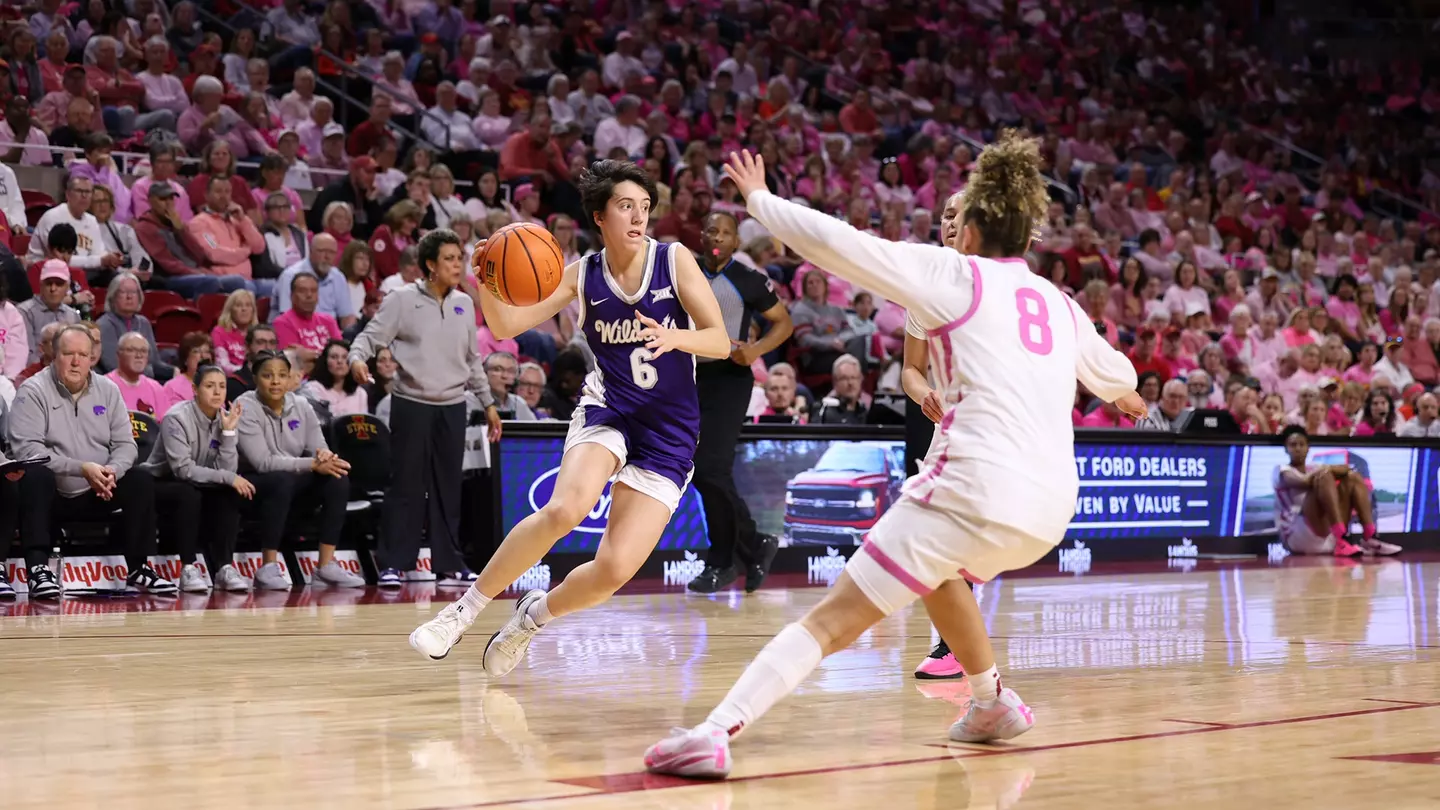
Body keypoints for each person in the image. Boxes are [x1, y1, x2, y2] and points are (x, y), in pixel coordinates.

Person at [642, 140, 1145, 777]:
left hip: (974, 488)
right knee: (937, 572)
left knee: (833, 620)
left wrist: (761, 202)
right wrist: (1126, 398)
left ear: (979, 226)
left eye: (962, 219)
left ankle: (714, 732)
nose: (953, 227)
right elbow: (1119, 377)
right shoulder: (1057, 302)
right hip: (1049, 509)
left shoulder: (953, 273)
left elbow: (842, 245)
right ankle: (991, 704)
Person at [408, 160, 729, 670]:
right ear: (599, 216)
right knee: (565, 509)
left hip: (670, 431)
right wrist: (487, 275)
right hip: (612, 409)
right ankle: (460, 614)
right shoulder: (582, 276)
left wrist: (675, 337)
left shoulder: (674, 261)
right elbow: (508, 323)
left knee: (613, 570)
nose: (638, 216)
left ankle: (534, 616)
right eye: (626, 206)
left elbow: (720, 340)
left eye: (645, 207)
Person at [349, 227, 500, 587]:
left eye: (459, 258)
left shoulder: (465, 303)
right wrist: (357, 358)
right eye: (449, 258)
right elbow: (371, 337)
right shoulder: (402, 299)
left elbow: (472, 360)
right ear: (429, 264)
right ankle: (392, 563)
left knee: (449, 486)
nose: (457, 264)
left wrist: (489, 403)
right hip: (411, 404)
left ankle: (449, 563)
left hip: (453, 406)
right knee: (406, 485)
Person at [9, 324, 177, 598]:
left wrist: (112, 470)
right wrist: (81, 468)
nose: (76, 361)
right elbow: (27, 451)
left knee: (139, 480)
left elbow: (126, 445)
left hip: (100, 489)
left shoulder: (108, 390)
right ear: (54, 355)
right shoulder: (33, 391)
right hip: (53, 493)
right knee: (35, 475)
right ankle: (38, 569)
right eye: (68, 353)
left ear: (92, 357)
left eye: (82, 354)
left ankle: (138, 567)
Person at [687, 211, 791, 595]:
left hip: (729, 378)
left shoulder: (747, 279)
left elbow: (783, 322)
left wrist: (756, 350)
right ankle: (753, 543)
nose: (717, 236)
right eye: (711, 228)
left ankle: (723, 560)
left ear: (736, 242)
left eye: (726, 232)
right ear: (702, 234)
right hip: (689, 377)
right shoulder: (685, 272)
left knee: (710, 466)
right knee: (702, 470)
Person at [902, 189, 967, 680]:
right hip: (946, 430)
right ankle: (955, 648)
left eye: (958, 216)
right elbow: (910, 370)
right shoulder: (924, 292)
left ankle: (960, 648)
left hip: (991, 429)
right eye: (944, 215)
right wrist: (924, 390)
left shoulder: (1004, 288)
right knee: (934, 537)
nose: (948, 223)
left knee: (951, 541)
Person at [234, 350, 362, 589]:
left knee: (337, 477)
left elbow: (318, 447)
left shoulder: (301, 404)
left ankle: (325, 565)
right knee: (280, 480)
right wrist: (312, 464)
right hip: (251, 484)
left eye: (282, 375)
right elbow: (263, 462)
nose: (275, 381)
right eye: (268, 375)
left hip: (291, 479)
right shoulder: (245, 406)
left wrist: (325, 457)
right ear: (255, 378)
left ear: (290, 378)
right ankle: (268, 566)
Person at [141, 364, 255, 593]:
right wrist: (228, 477)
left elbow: (228, 469)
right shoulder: (176, 417)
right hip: (158, 481)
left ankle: (224, 568)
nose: (217, 392)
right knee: (188, 493)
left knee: (228, 492)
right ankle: (188, 567)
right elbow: (182, 469)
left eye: (222, 386)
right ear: (195, 389)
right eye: (210, 386)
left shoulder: (226, 418)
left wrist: (229, 432)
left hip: (200, 479)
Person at [1273, 425, 1401, 557]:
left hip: (1325, 535)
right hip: (1296, 536)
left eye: (1301, 444)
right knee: (1324, 476)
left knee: (1353, 477)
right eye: (1293, 445)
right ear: (1286, 449)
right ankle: (1341, 535)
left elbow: (1347, 469)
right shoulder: (1281, 470)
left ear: (1308, 448)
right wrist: (1325, 472)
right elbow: (1304, 482)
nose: (1298, 449)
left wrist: (1329, 469)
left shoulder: (1315, 467)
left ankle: (1370, 537)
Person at [18, 260, 79, 364]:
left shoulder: (72, 315)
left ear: (67, 287)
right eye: (48, 283)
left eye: (59, 284)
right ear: (41, 285)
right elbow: (27, 355)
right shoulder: (25, 312)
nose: (53, 288)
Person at [303, 339, 369, 417]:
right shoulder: (312, 389)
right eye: (334, 357)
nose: (340, 361)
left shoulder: (360, 394)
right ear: (325, 361)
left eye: (345, 357)